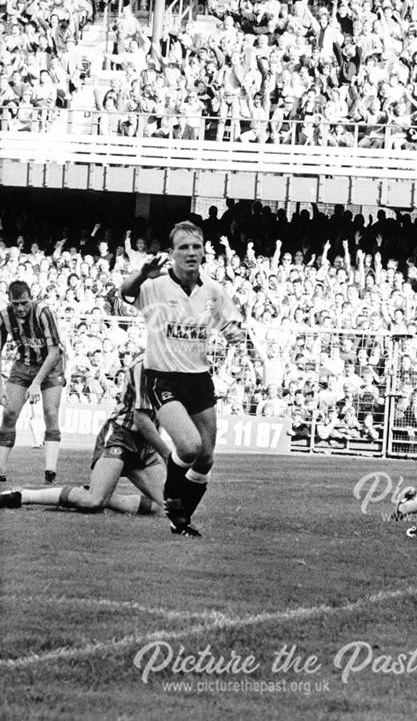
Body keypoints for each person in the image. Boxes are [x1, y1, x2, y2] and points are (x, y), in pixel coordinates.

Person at [120, 220, 247, 537]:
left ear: (203, 251)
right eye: (183, 247)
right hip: (163, 377)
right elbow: (125, 292)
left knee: (205, 458)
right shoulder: (156, 285)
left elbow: (233, 326)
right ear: (172, 253)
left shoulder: (213, 291)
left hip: (199, 379)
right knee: (188, 447)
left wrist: (234, 332)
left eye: (195, 247)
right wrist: (141, 273)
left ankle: (182, 520)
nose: (191, 253)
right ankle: (172, 499)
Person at [0, 356, 170, 515]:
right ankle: (23, 495)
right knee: (93, 501)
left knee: (165, 506)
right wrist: (168, 455)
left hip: (144, 443)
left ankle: (94, 493)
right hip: (121, 435)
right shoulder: (145, 364)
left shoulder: (174, 364)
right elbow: (141, 419)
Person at [0, 281, 66, 485]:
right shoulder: (4, 316)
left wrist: (36, 382)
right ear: (9, 301)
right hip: (23, 365)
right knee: (9, 413)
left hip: (51, 366)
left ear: (32, 298)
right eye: (16, 303)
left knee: (50, 412)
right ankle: (0, 468)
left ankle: (50, 470)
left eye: (24, 303)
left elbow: (54, 352)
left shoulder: (43, 312)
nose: (20, 308)